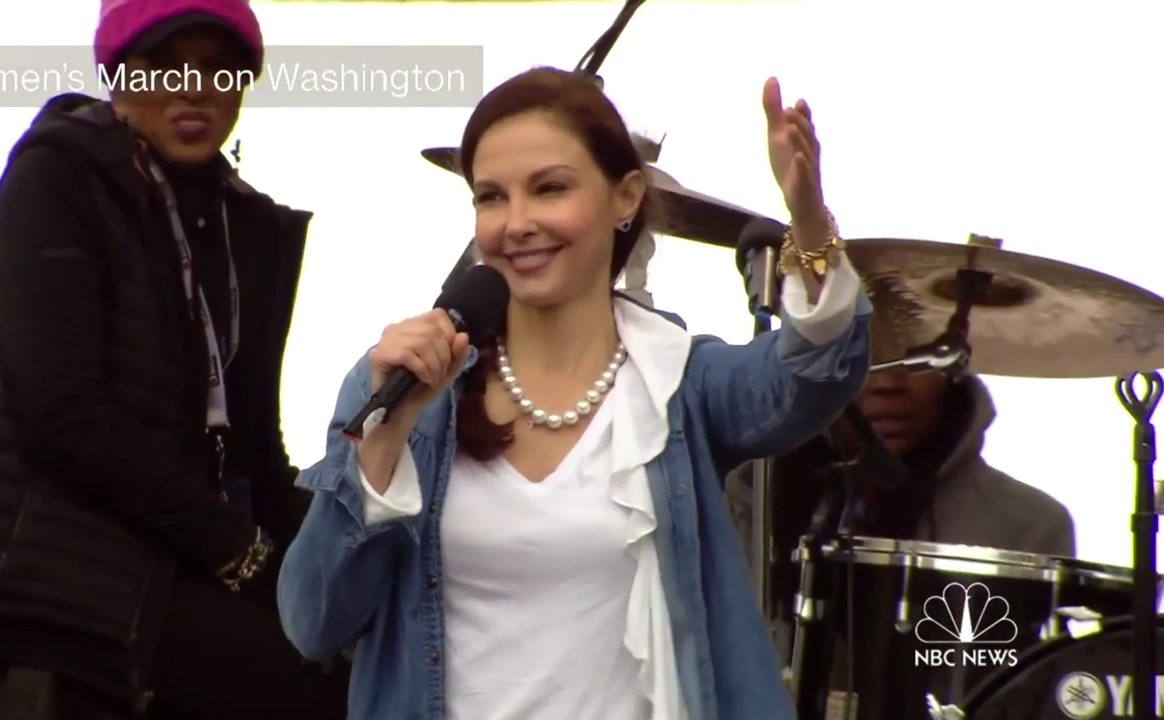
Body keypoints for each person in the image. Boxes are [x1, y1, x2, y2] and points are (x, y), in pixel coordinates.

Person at [277, 66, 872, 720]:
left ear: (625, 198)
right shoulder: (404, 383)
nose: (518, 222)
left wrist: (810, 226)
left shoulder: (677, 380)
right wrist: (382, 446)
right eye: (491, 197)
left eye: (549, 189)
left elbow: (812, 376)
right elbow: (314, 624)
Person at [0, 1, 349, 717]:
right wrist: (242, 553)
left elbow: (251, 444)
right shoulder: (57, 177)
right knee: (320, 688)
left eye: (220, 69)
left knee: (377, 646)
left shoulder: (243, 219)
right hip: (52, 549)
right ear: (116, 72)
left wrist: (339, 552)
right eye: (165, 64)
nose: (194, 88)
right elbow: (63, 414)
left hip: (182, 547)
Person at [727, 368, 1075, 719]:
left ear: (956, 359)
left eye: (916, 358)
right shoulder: (733, 503)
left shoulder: (1029, 526)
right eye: (866, 355)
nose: (888, 383)